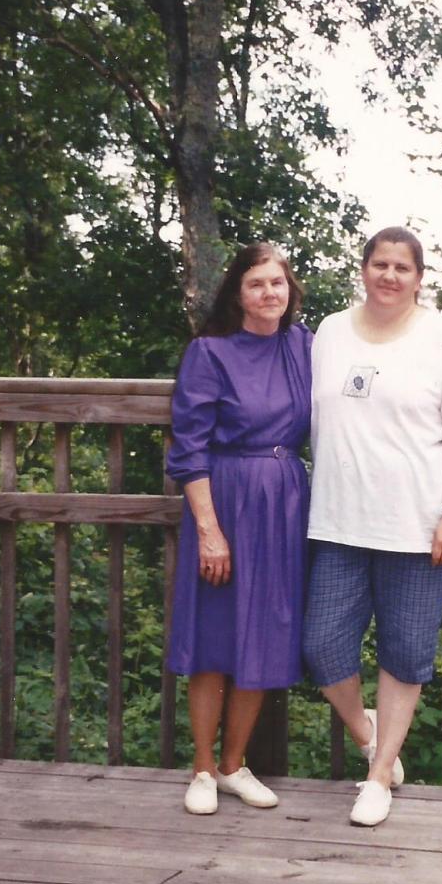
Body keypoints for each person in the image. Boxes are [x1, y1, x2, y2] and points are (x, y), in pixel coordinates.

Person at [303, 226, 442, 827]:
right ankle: (368, 733)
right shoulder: (329, 332)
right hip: (337, 522)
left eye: (402, 268)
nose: (389, 276)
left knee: (406, 652)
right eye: (379, 264)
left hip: (418, 530)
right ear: (362, 269)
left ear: (419, 277)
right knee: (321, 645)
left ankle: (379, 775)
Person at [166, 242, 312, 815]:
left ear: (289, 290)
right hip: (224, 498)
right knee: (213, 636)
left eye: (278, 283)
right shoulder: (210, 352)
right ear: (238, 294)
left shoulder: (304, 346)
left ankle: (234, 766)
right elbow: (189, 447)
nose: (269, 293)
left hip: (283, 501)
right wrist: (209, 529)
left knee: (266, 633)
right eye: (257, 284)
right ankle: (201, 768)